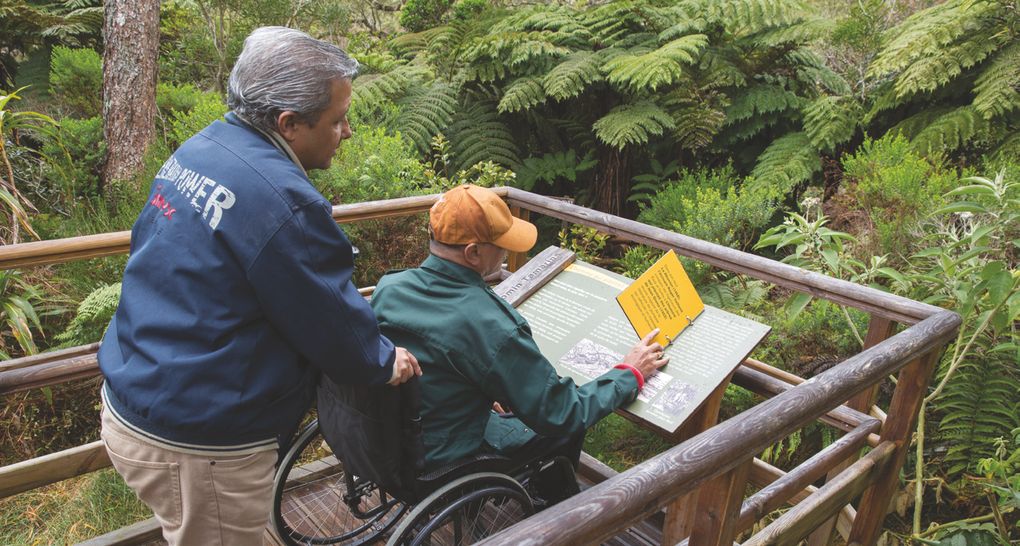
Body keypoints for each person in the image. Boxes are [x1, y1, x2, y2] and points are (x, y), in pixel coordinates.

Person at [97, 27, 420, 545]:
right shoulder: (283, 201)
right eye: (337, 120)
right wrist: (385, 362)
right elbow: (330, 319)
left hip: (137, 395)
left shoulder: (201, 150)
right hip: (198, 439)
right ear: (289, 123)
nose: (349, 131)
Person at [369, 184, 668, 495]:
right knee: (565, 431)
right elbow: (561, 412)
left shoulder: (390, 287)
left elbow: (430, 364)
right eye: (501, 244)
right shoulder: (490, 324)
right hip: (441, 461)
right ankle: (559, 511)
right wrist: (629, 374)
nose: (507, 252)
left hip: (391, 443)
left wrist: (479, 389)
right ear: (473, 253)